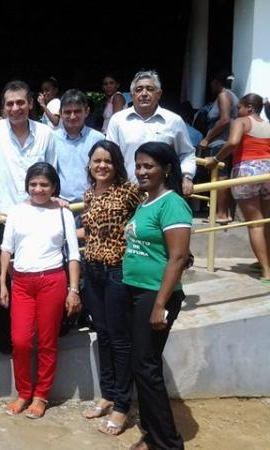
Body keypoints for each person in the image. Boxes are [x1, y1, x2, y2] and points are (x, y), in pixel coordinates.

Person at [123, 142, 192, 450]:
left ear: (166, 168)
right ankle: (153, 434)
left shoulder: (172, 203)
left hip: (156, 295)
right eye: (138, 166)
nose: (141, 171)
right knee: (141, 365)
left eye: (148, 166)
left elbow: (178, 257)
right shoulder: (145, 201)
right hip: (137, 292)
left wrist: (160, 304)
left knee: (146, 367)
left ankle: (168, 444)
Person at [0, 162, 81, 419]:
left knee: (47, 342)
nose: (38, 189)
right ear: (27, 185)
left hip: (52, 281)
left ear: (54, 186)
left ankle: (41, 395)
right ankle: (24, 392)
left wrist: (74, 289)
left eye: (44, 184)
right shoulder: (16, 212)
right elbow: (6, 249)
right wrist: (3, 282)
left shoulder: (63, 213)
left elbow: (73, 254)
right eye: (33, 184)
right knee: (21, 341)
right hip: (22, 282)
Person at [0, 80, 58, 354]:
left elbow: (51, 172)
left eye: (20, 103)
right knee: (2, 279)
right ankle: (5, 334)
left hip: (38, 218)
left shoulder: (46, 134)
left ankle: (35, 335)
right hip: (3, 218)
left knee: (36, 277)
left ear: (30, 104)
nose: (15, 108)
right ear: (3, 107)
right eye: (9, 104)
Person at [79, 140, 141, 435]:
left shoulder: (128, 191)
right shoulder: (89, 194)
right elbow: (88, 232)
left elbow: (144, 222)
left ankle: (122, 404)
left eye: (108, 161)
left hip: (117, 270)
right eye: (97, 161)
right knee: (102, 334)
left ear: (116, 164)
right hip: (92, 272)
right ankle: (107, 394)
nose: (101, 165)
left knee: (119, 338)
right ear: (90, 164)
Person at [204, 93, 270, 282]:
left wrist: (215, 159)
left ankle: (266, 271)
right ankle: (266, 262)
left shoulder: (240, 122)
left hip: (246, 172)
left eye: (239, 107)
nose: (237, 111)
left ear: (248, 107)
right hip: (268, 173)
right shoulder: (268, 124)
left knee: (255, 224)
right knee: (265, 221)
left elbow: (233, 142)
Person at [106, 70, 196, 197]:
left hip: (163, 194)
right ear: (132, 95)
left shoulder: (173, 121)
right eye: (139, 89)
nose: (144, 94)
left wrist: (186, 177)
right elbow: (110, 156)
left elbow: (186, 153)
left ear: (159, 94)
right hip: (126, 193)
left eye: (150, 89)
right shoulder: (118, 120)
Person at [198, 70, 239, 224]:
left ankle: (220, 213)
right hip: (222, 143)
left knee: (219, 176)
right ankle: (222, 211)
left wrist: (207, 139)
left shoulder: (223, 95)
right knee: (220, 175)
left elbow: (224, 120)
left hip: (220, 143)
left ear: (216, 82)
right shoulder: (230, 95)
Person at [55, 89, 105, 203]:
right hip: (61, 205)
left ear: (86, 112)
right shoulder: (51, 139)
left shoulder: (98, 139)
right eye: (67, 112)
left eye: (77, 111)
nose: (72, 116)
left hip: (93, 203)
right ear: (60, 113)